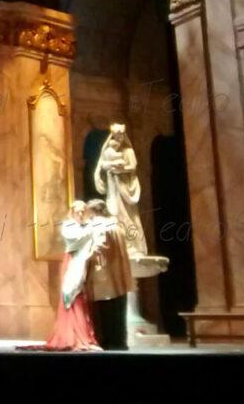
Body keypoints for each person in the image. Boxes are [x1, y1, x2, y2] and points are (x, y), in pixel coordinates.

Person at [40, 200, 102, 351]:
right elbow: (76, 240)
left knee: (80, 297)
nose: (80, 214)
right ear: (72, 212)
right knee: (71, 294)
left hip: (83, 262)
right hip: (72, 262)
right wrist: (91, 229)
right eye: (77, 211)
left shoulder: (86, 226)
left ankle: (83, 336)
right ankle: (70, 337)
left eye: (83, 211)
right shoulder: (68, 226)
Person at [85, 198, 133, 350]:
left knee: (104, 311)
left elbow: (99, 246)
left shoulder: (99, 224)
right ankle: (120, 341)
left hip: (103, 276)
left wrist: (83, 258)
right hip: (118, 274)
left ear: (93, 212)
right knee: (118, 310)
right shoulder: (115, 224)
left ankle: (106, 341)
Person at [93, 123, 147, 258]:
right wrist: (110, 166)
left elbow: (132, 167)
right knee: (115, 214)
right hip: (113, 188)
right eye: (117, 136)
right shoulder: (108, 150)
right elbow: (102, 165)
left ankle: (133, 245)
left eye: (121, 136)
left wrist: (119, 170)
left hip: (125, 187)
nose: (119, 139)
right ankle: (120, 245)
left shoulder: (128, 151)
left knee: (128, 216)